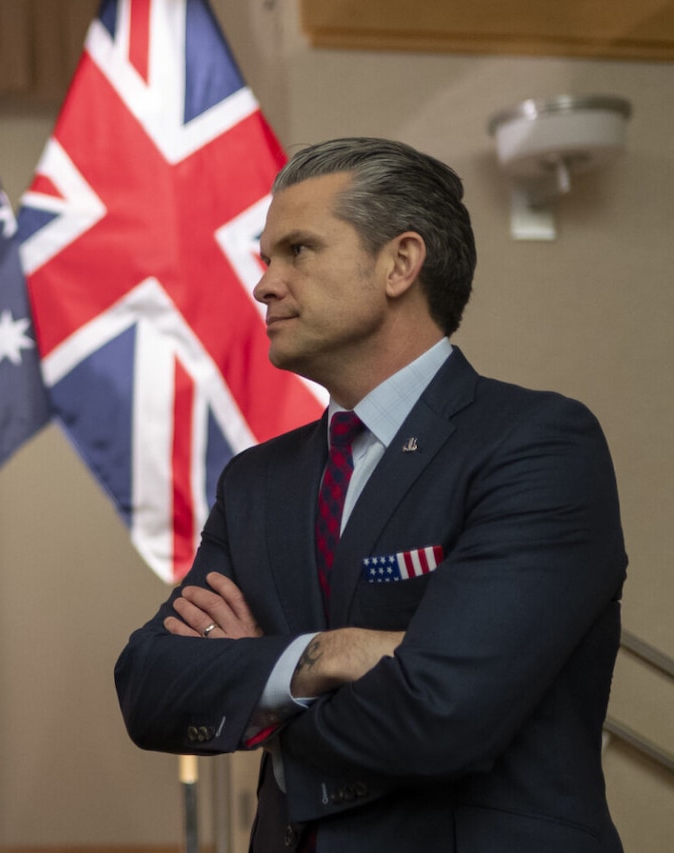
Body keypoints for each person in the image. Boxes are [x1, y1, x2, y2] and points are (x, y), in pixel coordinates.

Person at [115, 137, 626, 853]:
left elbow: (442, 714)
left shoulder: (538, 445)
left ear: (400, 263)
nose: (265, 285)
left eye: (298, 250)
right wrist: (329, 654)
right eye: (266, 258)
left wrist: (261, 692)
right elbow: (149, 687)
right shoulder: (255, 481)